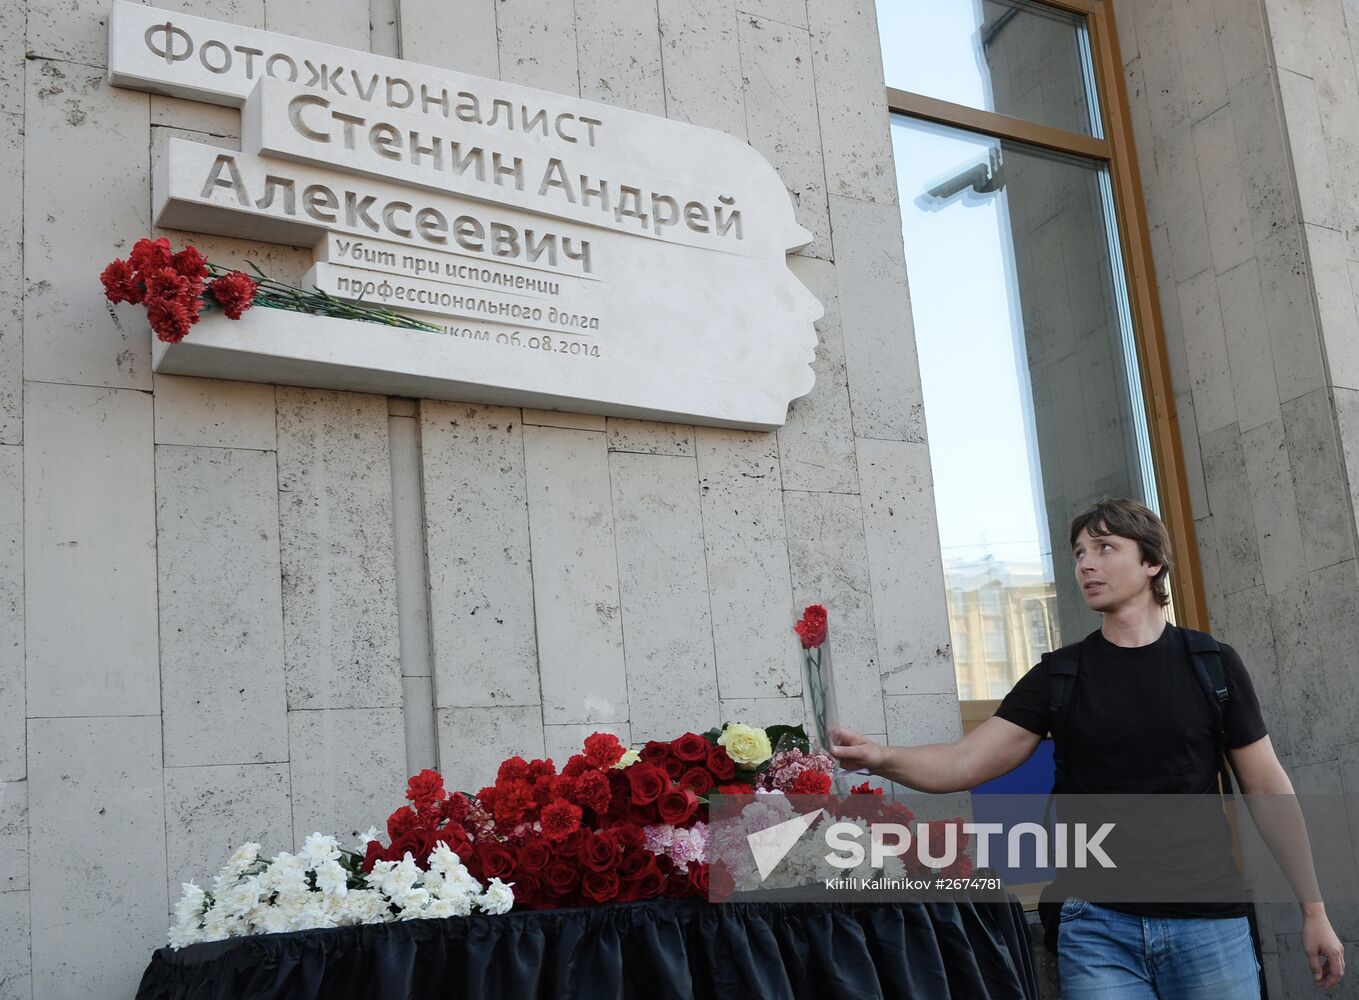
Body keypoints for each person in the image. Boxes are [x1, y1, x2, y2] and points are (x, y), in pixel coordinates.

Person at [830, 497, 1346, 997]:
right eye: (1078, 553)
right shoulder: (1061, 674)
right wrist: (880, 757)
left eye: (1104, 548)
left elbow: (1267, 789)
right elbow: (964, 762)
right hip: (1096, 928)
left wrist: (1314, 911)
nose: (1085, 565)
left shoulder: (1211, 664)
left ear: (1153, 562)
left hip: (1208, 924)